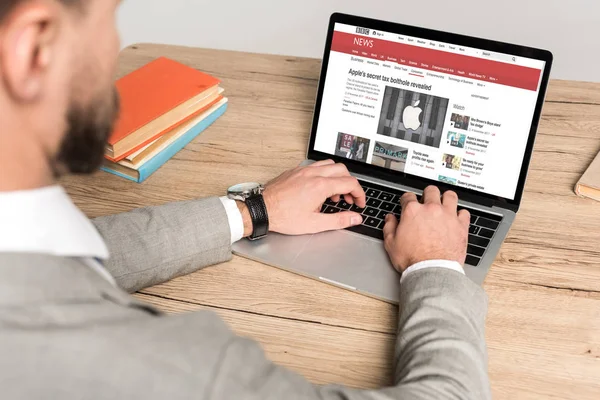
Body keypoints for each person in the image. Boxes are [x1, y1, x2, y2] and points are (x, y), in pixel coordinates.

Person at [0, 1, 490, 399]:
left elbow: (62, 262)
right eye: (108, 18)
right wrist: (435, 266)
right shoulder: (161, 368)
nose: (113, 49)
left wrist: (253, 211)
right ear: (32, 46)